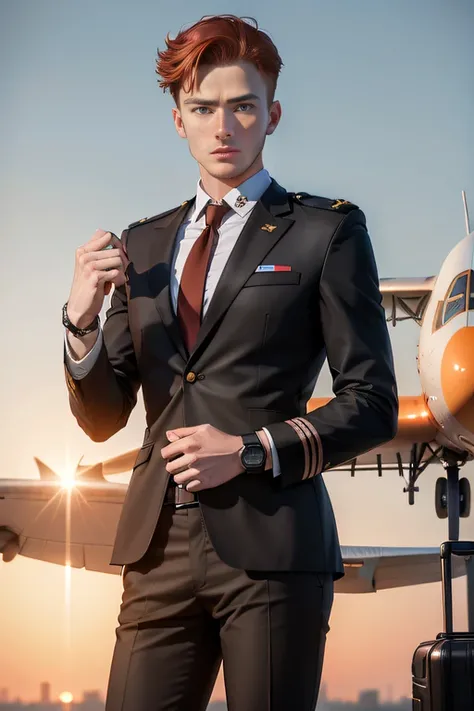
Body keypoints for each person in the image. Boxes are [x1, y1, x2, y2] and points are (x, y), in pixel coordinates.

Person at [62, 14, 398, 711]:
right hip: (157, 548)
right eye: (203, 108)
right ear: (177, 120)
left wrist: (247, 451)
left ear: (272, 114)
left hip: (275, 547)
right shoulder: (142, 245)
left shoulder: (326, 230)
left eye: (243, 106)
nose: (224, 126)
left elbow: (372, 401)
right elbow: (102, 418)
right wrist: (81, 319)